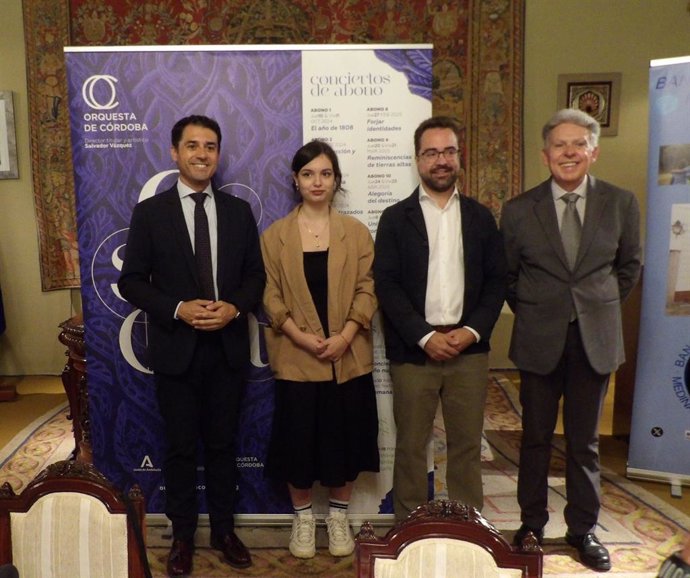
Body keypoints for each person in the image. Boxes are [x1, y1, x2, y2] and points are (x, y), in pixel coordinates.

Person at [118, 115, 265, 576]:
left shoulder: (239, 213)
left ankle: (224, 531)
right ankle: (182, 536)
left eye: (211, 146)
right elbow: (131, 282)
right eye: (193, 146)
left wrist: (234, 309)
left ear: (218, 155)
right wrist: (178, 308)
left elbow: (255, 278)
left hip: (226, 349)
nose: (202, 154)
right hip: (176, 348)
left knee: (223, 446)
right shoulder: (151, 213)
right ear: (174, 153)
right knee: (180, 448)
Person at [501, 108, 641, 572]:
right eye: (559, 145)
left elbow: (628, 268)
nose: (569, 152)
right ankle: (531, 525)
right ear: (545, 155)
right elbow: (508, 277)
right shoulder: (520, 209)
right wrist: (545, 310)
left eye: (578, 144)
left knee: (585, 443)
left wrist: (593, 307)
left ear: (593, 152)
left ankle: (583, 530)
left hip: (595, 340)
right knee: (535, 438)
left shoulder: (621, 203)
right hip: (539, 338)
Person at [373, 116, 507, 521]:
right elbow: (388, 285)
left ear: (458, 157)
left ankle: (471, 528)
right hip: (415, 353)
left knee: (467, 444)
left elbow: (497, 282)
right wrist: (424, 336)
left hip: (469, 351)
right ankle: (410, 528)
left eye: (448, 151)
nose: (441, 160)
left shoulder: (481, 218)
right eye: (431, 153)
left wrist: (470, 331)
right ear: (418, 160)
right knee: (412, 445)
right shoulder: (396, 219)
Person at [261, 140, 379, 559]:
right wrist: (297, 335)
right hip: (296, 358)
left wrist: (346, 335)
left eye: (325, 174)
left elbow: (368, 289)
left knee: (343, 442)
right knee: (299, 444)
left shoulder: (357, 232)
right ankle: (305, 520)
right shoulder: (275, 236)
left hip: (348, 359)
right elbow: (270, 295)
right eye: (308, 174)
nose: (317, 181)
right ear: (296, 180)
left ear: (336, 180)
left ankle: (339, 517)